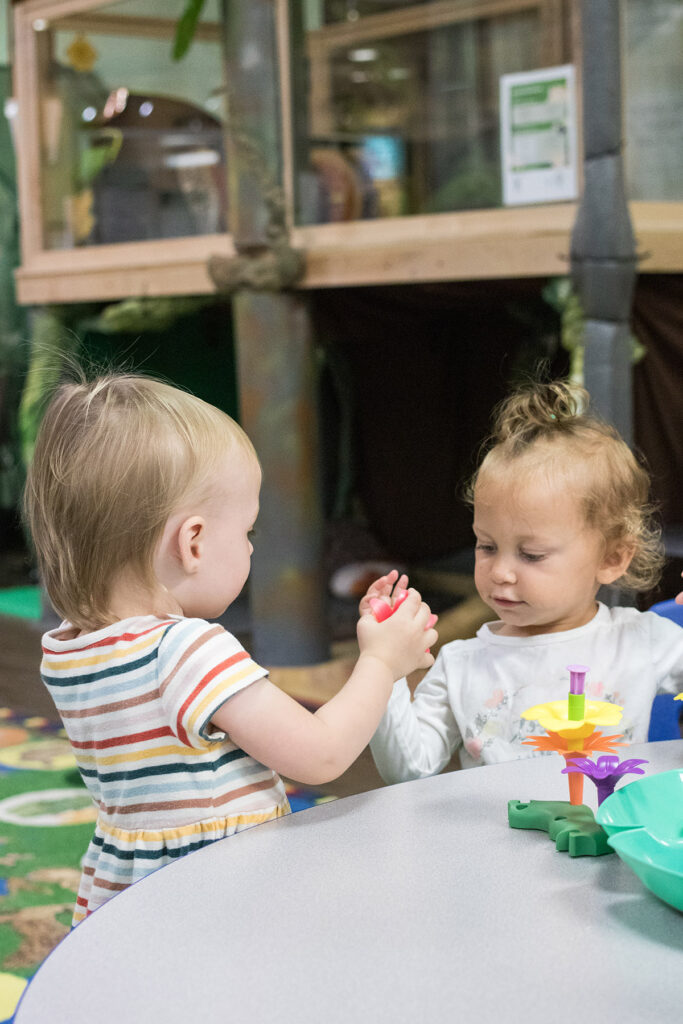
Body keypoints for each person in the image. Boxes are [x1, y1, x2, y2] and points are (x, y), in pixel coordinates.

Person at [24, 372, 437, 924]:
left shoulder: (71, 647)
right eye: (249, 532)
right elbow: (320, 753)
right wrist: (383, 662)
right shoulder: (188, 651)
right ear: (192, 543)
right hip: (216, 900)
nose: (249, 548)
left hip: (126, 898)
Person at [368, 379, 683, 784]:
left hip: (608, 844)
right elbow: (408, 770)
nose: (500, 571)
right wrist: (385, 669)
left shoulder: (644, 641)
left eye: (531, 555)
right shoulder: (461, 665)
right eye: (486, 546)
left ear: (612, 558)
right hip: (495, 848)